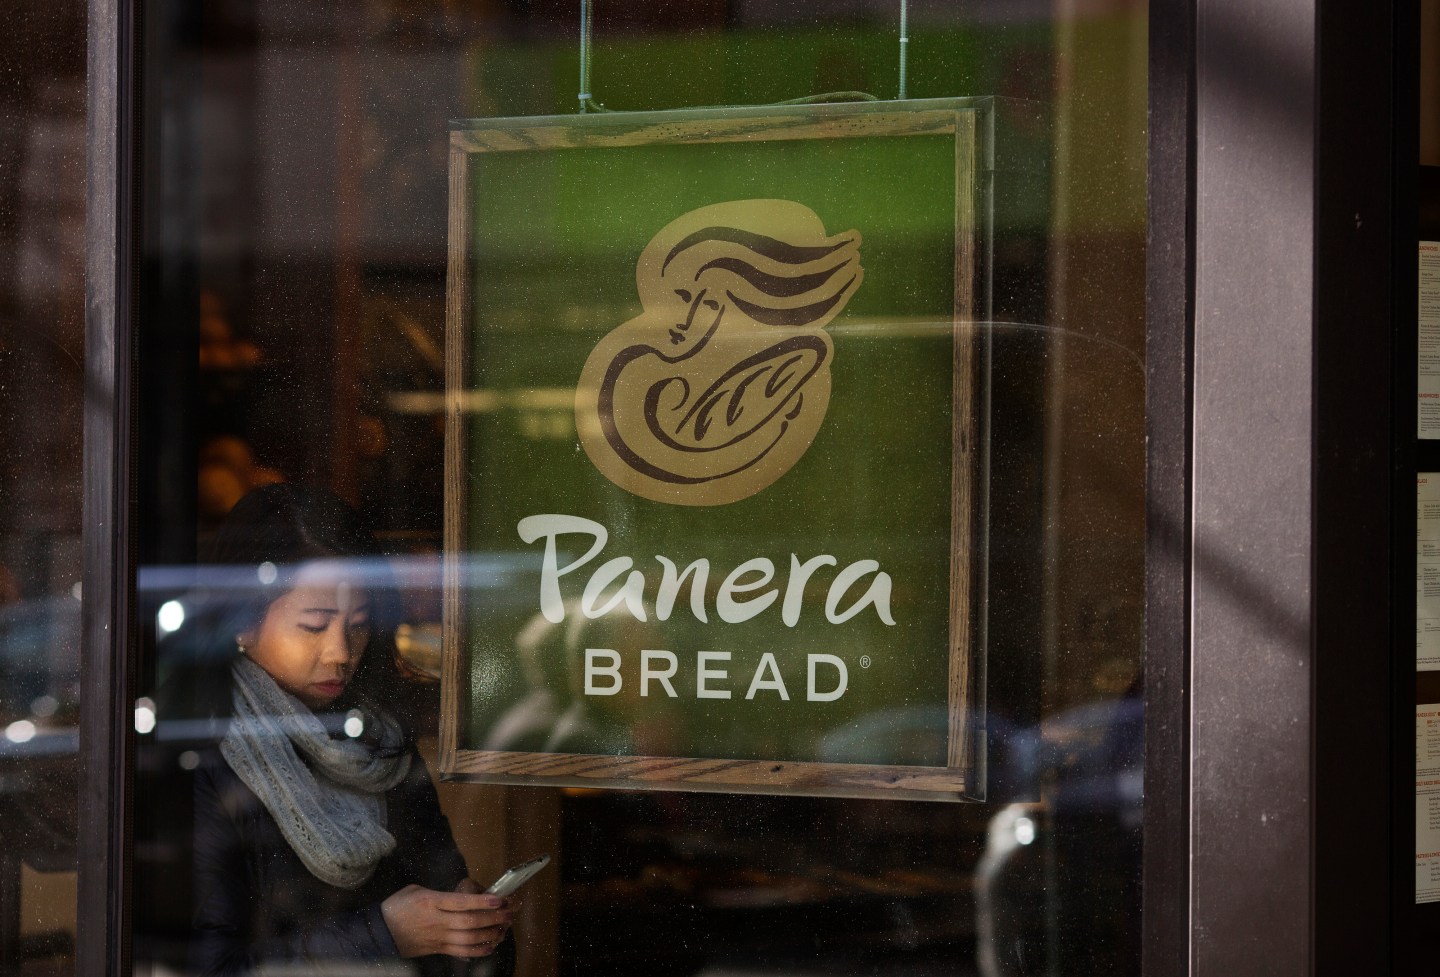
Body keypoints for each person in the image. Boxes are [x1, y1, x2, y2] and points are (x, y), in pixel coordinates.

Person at [185, 484, 515, 977]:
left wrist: (469, 927)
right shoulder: (203, 755)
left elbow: (444, 890)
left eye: (358, 625)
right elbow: (210, 968)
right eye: (315, 625)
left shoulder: (379, 740)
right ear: (242, 621)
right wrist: (385, 936)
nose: (342, 652)